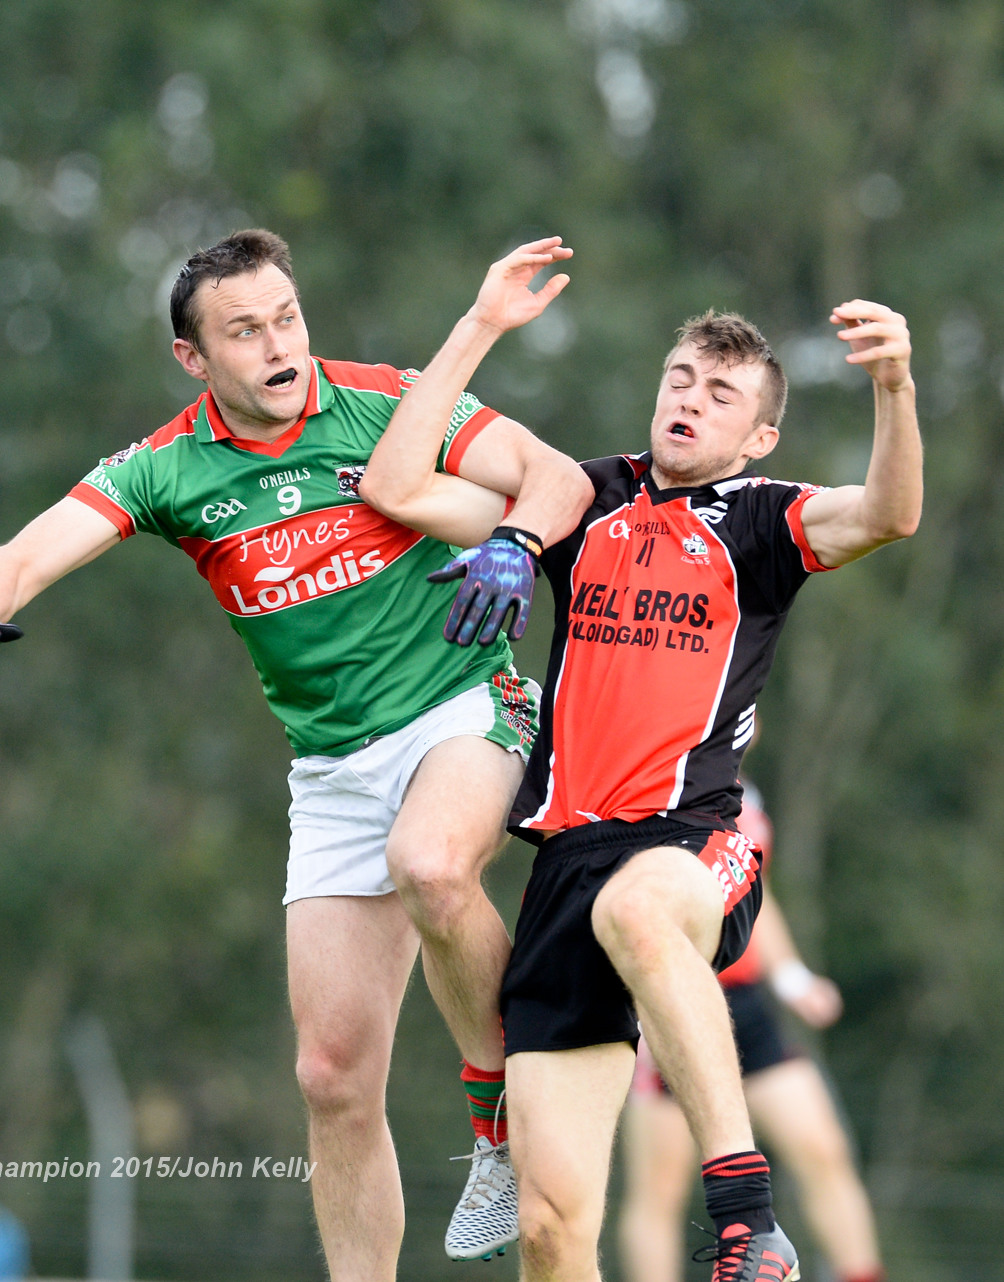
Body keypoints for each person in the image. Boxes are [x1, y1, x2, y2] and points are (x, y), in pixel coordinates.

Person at [0, 229, 594, 1278]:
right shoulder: (165, 468)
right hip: (329, 771)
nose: (277, 344)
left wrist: (516, 544)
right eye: (243, 331)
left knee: (431, 861)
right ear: (194, 359)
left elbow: (554, 476)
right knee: (328, 1075)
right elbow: (23, 550)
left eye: (285, 317)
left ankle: (497, 1123)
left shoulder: (383, 402)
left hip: (464, 706)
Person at [357, 235, 921, 1282]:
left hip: (689, 845)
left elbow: (889, 513)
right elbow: (396, 481)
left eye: (719, 393)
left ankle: (749, 1221)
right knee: (550, 1230)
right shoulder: (578, 496)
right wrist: (481, 323)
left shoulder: (761, 519)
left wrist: (891, 384)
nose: (690, 400)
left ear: (757, 436)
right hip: (562, 867)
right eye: (679, 379)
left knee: (637, 909)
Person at [619, 779, 886, 1282]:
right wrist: (641, 1004)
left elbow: (751, 890)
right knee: (661, 1190)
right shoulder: (656, 782)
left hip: (746, 1006)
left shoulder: (747, 796)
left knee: (823, 1150)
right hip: (673, 1002)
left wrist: (792, 978)